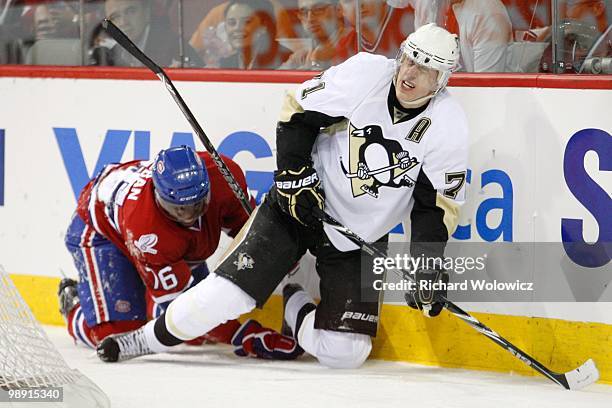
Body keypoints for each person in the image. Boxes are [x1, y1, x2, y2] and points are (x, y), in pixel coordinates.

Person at [96, 23, 469, 368]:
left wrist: (427, 266)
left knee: (347, 354)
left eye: (425, 69)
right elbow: (297, 111)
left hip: (360, 236)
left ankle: (293, 291)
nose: (408, 74)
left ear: (442, 80)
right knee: (224, 297)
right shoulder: (366, 74)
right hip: (303, 202)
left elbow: (433, 207)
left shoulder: (449, 125)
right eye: (408, 60)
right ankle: (142, 341)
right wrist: (294, 175)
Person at [59, 145, 303, 361]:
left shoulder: (224, 175)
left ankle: (145, 301)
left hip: (173, 244)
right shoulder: (146, 231)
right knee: (117, 333)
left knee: (193, 335)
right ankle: (74, 306)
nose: (189, 216)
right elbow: (185, 309)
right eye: (178, 209)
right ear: (158, 195)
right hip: (101, 231)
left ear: (207, 186)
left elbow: (248, 229)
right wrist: (244, 334)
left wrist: (279, 255)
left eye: (197, 204)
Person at [90, 0, 203, 67]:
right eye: (115, 17)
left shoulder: (174, 47)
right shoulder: (110, 53)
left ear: (147, 12)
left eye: (130, 11)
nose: (123, 22)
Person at [409, 0, 512, 72]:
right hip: (431, 89)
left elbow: (485, 88)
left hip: (470, 96)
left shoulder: (488, 13)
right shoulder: (427, 4)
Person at [280, 0, 353, 70]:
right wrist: (315, 60)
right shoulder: (303, 55)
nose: (310, 19)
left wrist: (316, 61)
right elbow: (276, 80)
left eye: (318, 9)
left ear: (339, 9)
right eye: (304, 12)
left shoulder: (357, 45)